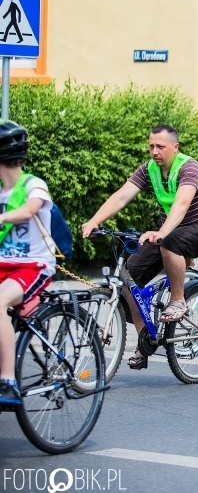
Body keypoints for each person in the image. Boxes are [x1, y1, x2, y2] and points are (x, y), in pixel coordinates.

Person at [81, 124, 198, 370]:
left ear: (175, 147)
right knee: (128, 279)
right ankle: (145, 341)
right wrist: (95, 220)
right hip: (168, 232)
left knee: (170, 242)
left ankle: (178, 300)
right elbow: (122, 196)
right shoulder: (148, 169)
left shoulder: (189, 167)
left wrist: (162, 232)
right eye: (151, 146)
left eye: (161, 146)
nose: (155, 151)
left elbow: (183, 202)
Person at [0, 121, 57, 405]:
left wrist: (2, 217)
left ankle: (8, 380)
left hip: (32, 266)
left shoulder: (32, 184)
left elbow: (29, 210)